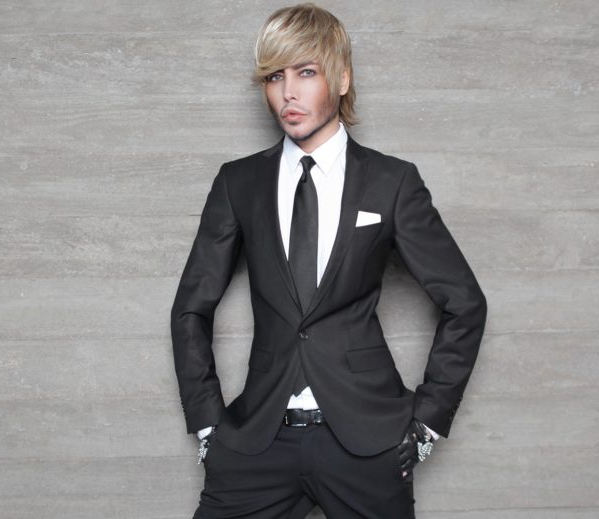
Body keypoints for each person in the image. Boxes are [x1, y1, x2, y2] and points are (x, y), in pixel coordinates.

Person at [170, 3, 487, 518]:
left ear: (341, 79)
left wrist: (428, 421)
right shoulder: (238, 182)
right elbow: (190, 308)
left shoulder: (391, 182)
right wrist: (208, 425)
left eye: (306, 72)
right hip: (257, 441)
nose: (287, 93)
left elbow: (465, 303)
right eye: (275, 77)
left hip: (367, 442)